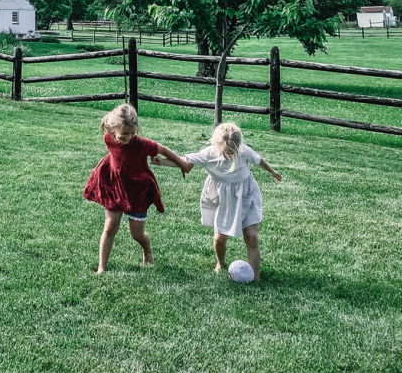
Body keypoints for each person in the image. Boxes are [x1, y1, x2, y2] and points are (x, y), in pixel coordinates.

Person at [83, 103, 191, 274]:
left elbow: (162, 149)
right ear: (113, 129)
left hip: (137, 191)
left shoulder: (141, 144)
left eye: (133, 133)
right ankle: (102, 267)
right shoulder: (108, 139)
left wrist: (182, 163)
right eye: (125, 133)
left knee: (137, 234)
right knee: (110, 226)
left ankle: (147, 249)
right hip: (115, 187)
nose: (130, 136)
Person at [183, 122, 281, 281]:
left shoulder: (243, 151)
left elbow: (258, 159)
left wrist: (272, 171)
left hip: (246, 196)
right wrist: (163, 161)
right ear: (216, 144)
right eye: (226, 152)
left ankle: (255, 277)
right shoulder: (209, 154)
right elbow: (184, 160)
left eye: (232, 152)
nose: (229, 155)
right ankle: (221, 263)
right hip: (225, 200)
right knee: (220, 238)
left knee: (251, 236)